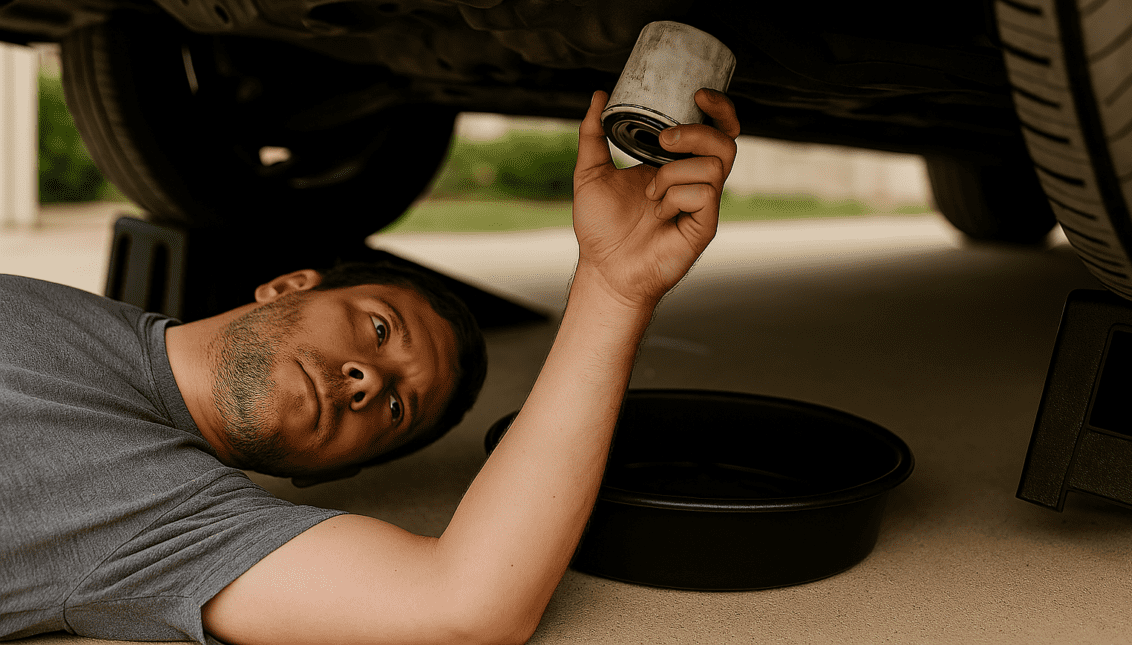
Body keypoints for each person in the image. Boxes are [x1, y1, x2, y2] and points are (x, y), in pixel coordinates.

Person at [0, 88, 740, 645]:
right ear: (289, 284)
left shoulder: (174, 528)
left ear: (325, 478)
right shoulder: (65, 314)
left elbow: (464, 602)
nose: (366, 381)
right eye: (377, 329)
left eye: (394, 410)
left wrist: (613, 288)